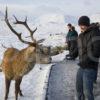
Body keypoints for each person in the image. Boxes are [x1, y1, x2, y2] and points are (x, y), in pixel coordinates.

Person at [76, 16, 100, 100]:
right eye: (80, 25)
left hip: (90, 66)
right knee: (79, 89)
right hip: (82, 65)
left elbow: (97, 51)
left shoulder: (95, 32)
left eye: (83, 25)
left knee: (87, 92)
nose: (81, 27)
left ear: (87, 24)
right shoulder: (80, 35)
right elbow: (78, 49)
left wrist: (86, 62)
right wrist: (71, 54)